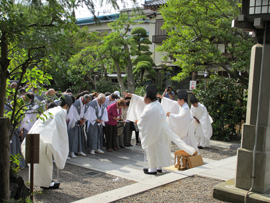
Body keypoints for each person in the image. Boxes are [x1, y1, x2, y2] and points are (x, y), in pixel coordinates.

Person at [125, 85, 196, 175]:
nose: (143, 98)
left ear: (148, 100)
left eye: (145, 97)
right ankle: (159, 167)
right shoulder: (156, 104)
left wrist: (138, 122)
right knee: (160, 150)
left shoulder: (150, 108)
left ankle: (152, 169)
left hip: (154, 132)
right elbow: (143, 103)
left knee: (152, 150)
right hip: (161, 131)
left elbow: (143, 120)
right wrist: (132, 96)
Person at [21, 94, 73, 189]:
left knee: (37, 164)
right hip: (43, 140)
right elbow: (61, 133)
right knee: (45, 164)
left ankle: (39, 183)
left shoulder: (51, 110)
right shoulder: (61, 112)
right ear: (66, 106)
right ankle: (45, 184)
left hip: (34, 136)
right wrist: (61, 148)